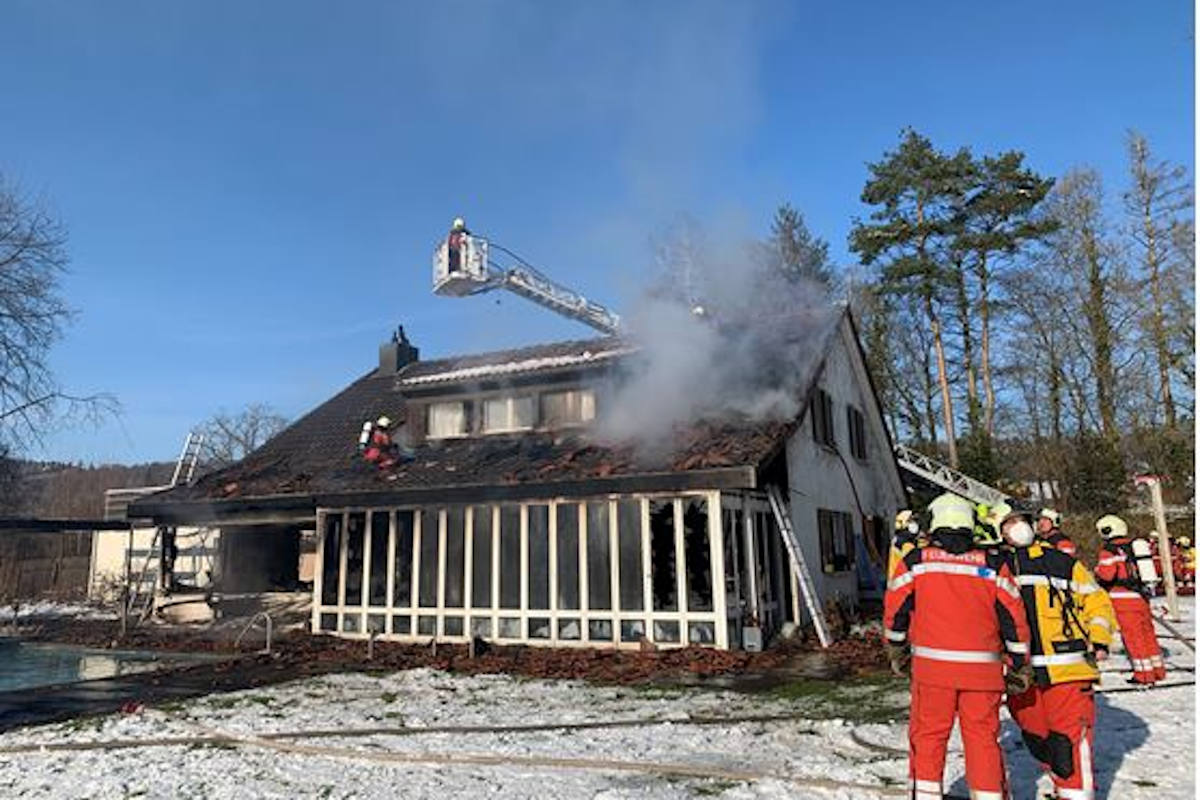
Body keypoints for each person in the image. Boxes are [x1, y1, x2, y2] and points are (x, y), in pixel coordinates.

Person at [884, 492, 1032, 800]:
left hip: (932, 671)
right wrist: (1020, 663)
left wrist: (897, 649)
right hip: (983, 673)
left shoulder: (916, 561)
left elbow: (895, 609)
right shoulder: (993, 564)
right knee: (983, 740)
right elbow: (1014, 618)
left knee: (928, 738)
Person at [996, 504, 1116, 800]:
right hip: (1021, 673)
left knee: (1068, 742)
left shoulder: (1062, 562)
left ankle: (1074, 794)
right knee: (1037, 736)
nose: (1017, 527)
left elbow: (1097, 601)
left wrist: (1099, 638)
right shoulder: (997, 565)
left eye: (1021, 520)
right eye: (1009, 523)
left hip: (1067, 668)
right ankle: (1063, 782)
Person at [1094, 515, 1166, 684]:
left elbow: (1107, 575)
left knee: (1133, 637)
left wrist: (1097, 570)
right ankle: (1158, 670)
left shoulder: (1109, 551)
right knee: (1147, 634)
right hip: (1141, 596)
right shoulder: (1134, 547)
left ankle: (1143, 674)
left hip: (1123, 600)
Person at [888, 509, 921, 581]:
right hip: (902, 580)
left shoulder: (898, 540)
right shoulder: (905, 544)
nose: (915, 523)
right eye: (910, 520)